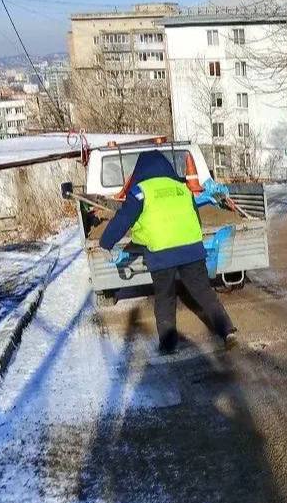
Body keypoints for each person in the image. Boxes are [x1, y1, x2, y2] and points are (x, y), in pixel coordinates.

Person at [98, 151, 237, 354]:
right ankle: (227, 331)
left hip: (162, 253)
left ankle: (169, 345)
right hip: (191, 248)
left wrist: (106, 242)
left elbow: (123, 219)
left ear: (141, 170)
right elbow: (194, 217)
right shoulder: (182, 188)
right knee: (204, 293)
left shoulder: (141, 191)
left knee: (165, 298)